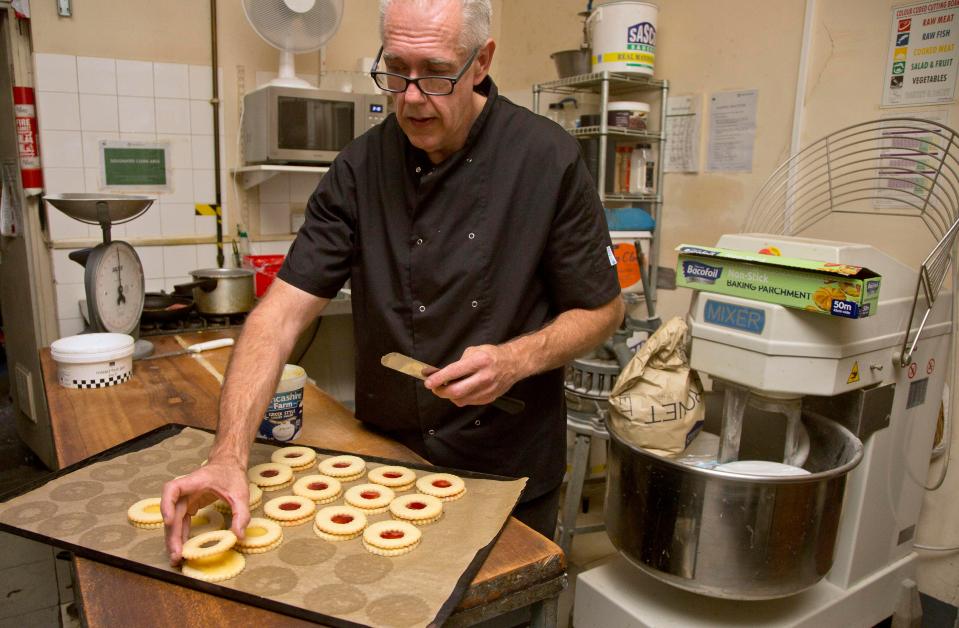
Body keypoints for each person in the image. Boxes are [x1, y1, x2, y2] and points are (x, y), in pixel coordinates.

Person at [161, 0, 623, 563]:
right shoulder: (359, 169)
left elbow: (603, 310)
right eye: (395, 69)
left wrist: (515, 360)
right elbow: (278, 317)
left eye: (433, 72)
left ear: (481, 62)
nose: (408, 96)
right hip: (387, 464)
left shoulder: (547, 159)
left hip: (506, 472)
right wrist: (228, 456)